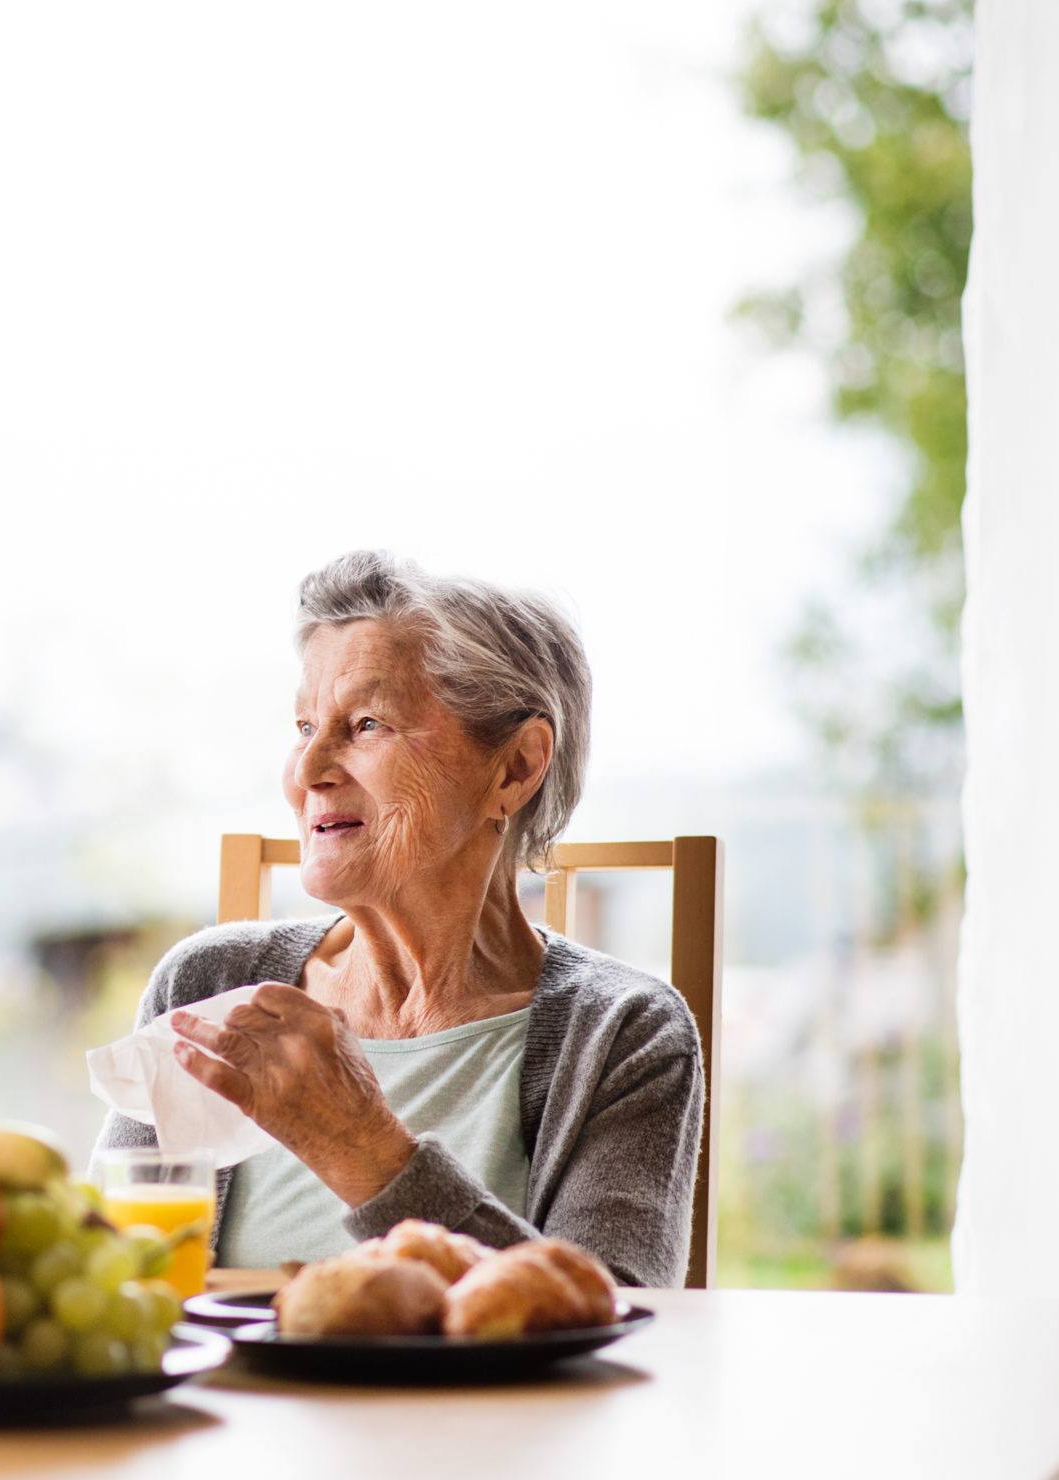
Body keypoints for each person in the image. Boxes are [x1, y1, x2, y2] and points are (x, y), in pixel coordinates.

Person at [96, 551, 703, 1287]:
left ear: (514, 767)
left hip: (480, 1410)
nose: (307, 769)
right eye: (305, 724)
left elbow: (614, 1316)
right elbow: (112, 1278)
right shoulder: (209, 983)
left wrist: (365, 1149)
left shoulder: (622, 1032)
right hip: (234, 1403)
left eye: (366, 724)